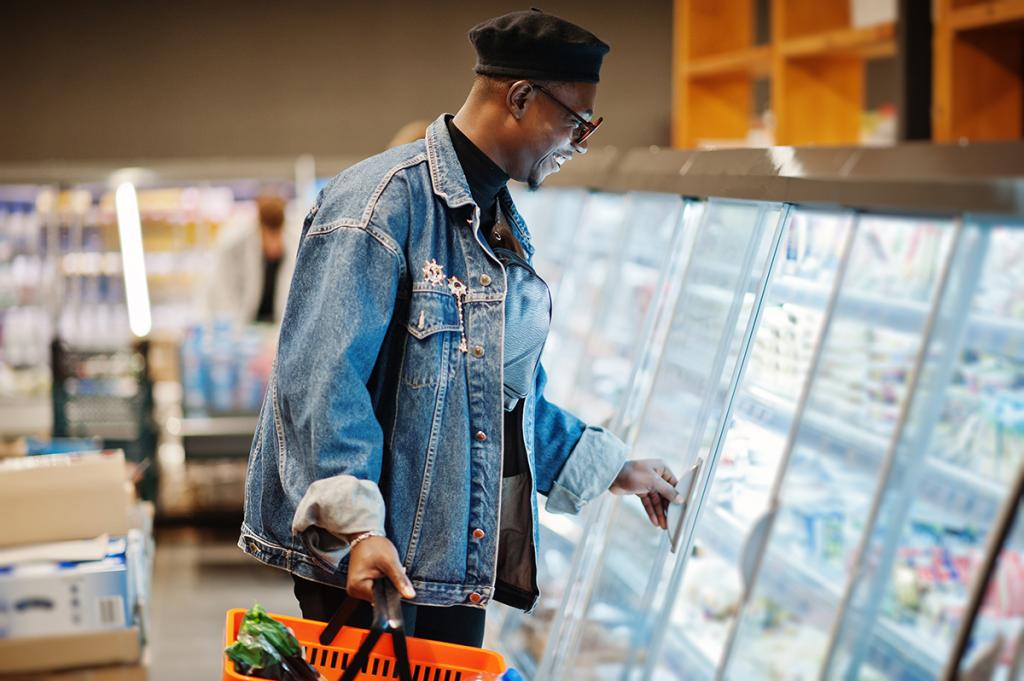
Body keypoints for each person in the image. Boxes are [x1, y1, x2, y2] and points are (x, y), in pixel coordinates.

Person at [239, 9, 683, 648]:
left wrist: (614, 467)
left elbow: (490, 404)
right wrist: (360, 531)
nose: (579, 144)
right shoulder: (378, 205)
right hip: (371, 565)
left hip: (445, 563)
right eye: (576, 123)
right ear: (522, 99)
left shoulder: (497, 221)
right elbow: (321, 386)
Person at [204, 192, 295, 325]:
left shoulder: (292, 245)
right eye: (269, 235)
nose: (274, 243)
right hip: (242, 326)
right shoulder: (235, 248)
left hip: (277, 327)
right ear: (260, 229)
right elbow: (223, 296)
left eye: (277, 235)